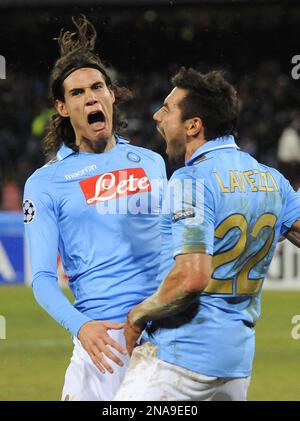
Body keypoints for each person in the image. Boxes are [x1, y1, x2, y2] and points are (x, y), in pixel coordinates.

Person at [114, 67, 300, 401]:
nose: (157, 115)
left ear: (194, 125)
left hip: (179, 357)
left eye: (167, 109)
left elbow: (192, 277)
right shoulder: (273, 180)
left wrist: (137, 316)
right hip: (234, 365)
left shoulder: (190, 180)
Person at [23, 16, 166, 401]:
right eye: (77, 92)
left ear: (111, 95)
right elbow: (40, 278)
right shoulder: (45, 183)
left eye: (97, 86)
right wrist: (80, 327)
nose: (90, 96)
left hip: (161, 341)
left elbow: (173, 245)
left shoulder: (151, 163)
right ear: (63, 107)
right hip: (101, 346)